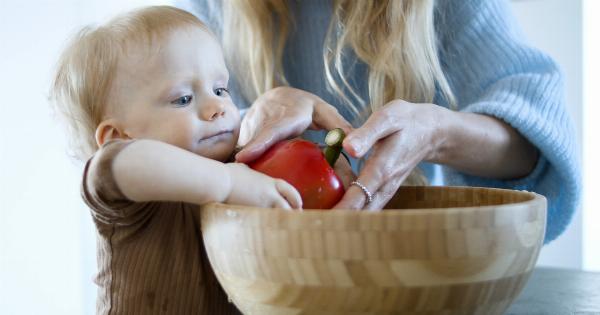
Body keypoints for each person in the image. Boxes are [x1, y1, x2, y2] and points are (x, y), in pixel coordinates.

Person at [176, 0, 581, 243]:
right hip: (259, 266)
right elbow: (161, 134)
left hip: (411, 265)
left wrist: (439, 133)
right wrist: (246, 121)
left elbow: (537, 135)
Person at [49, 5, 338, 314]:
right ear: (118, 136)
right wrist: (228, 183)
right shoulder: (121, 189)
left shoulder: (239, 168)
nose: (218, 107)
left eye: (220, 89)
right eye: (183, 99)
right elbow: (127, 163)